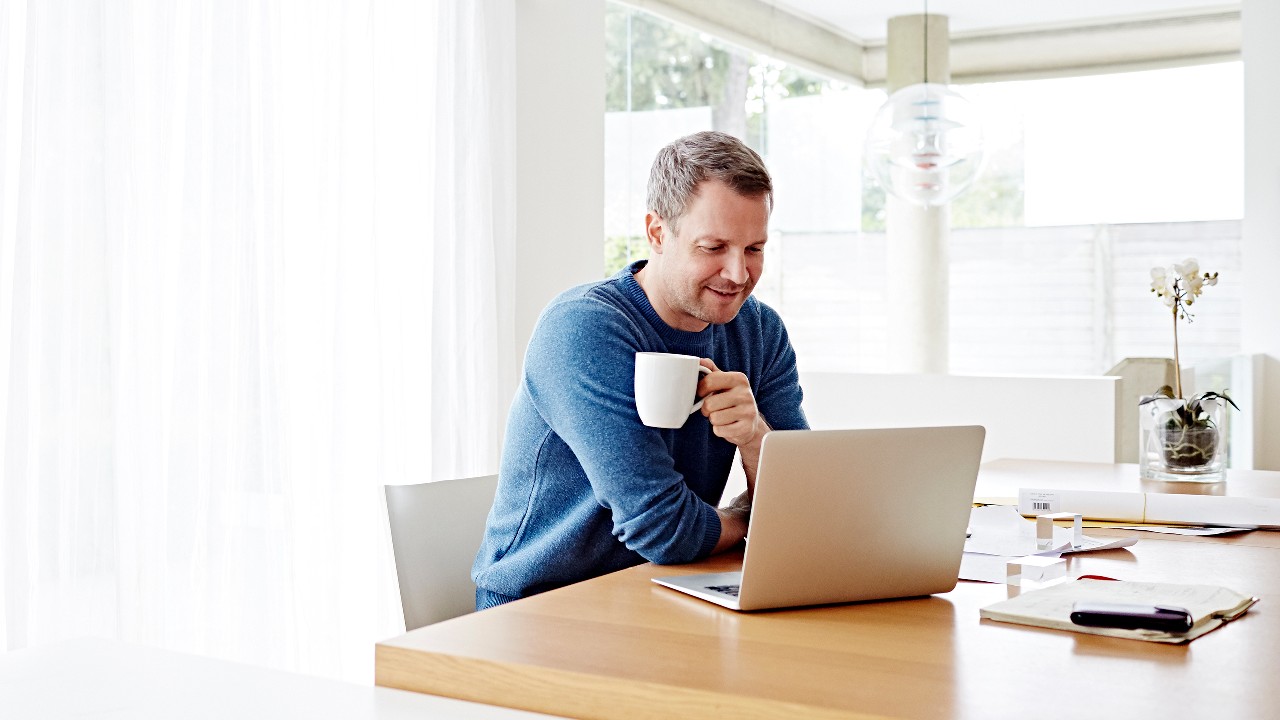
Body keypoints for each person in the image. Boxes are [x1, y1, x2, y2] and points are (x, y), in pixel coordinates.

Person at [471, 130, 808, 609]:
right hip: (540, 607)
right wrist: (745, 519)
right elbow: (665, 531)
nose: (738, 274)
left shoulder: (759, 332)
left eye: (754, 248)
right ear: (657, 233)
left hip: (663, 592)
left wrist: (755, 436)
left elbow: (802, 509)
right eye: (714, 247)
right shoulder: (584, 328)